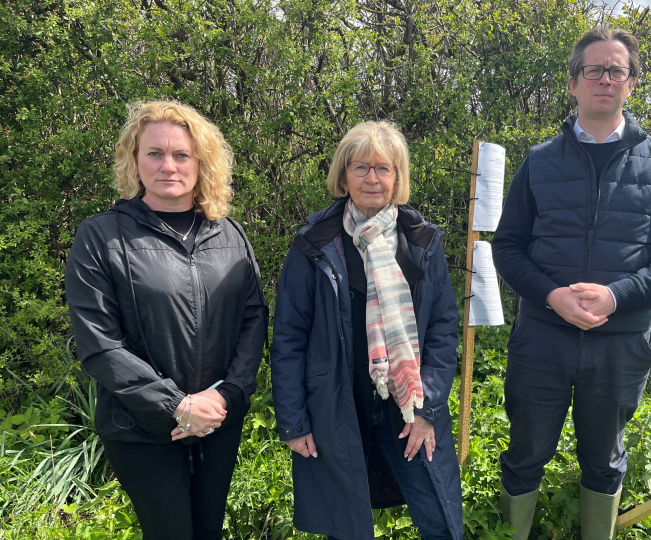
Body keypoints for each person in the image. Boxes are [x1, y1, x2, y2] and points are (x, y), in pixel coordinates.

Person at [491, 27, 651, 540]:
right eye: (594, 70)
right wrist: (551, 296)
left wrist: (616, 295)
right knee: (524, 455)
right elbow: (508, 247)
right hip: (541, 340)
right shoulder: (539, 161)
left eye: (616, 70)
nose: (605, 78)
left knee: (604, 462)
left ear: (630, 84)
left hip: (620, 346)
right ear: (574, 83)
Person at [65, 100, 268, 540]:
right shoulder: (101, 237)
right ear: (134, 160)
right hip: (141, 427)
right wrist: (175, 405)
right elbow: (100, 344)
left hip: (218, 420)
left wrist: (230, 394)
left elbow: (253, 318)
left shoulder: (229, 233)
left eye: (181, 155)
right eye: (154, 153)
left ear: (201, 162)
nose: (168, 166)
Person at [270, 121, 463, 540]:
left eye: (383, 168)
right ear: (343, 176)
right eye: (361, 167)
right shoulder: (313, 245)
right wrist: (294, 421)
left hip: (407, 404)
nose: (372, 178)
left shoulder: (420, 242)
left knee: (440, 520)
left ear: (398, 179)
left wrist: (427, 409)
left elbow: (444, 329)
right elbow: (288, 337)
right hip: (337, 405)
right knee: (347, 527)